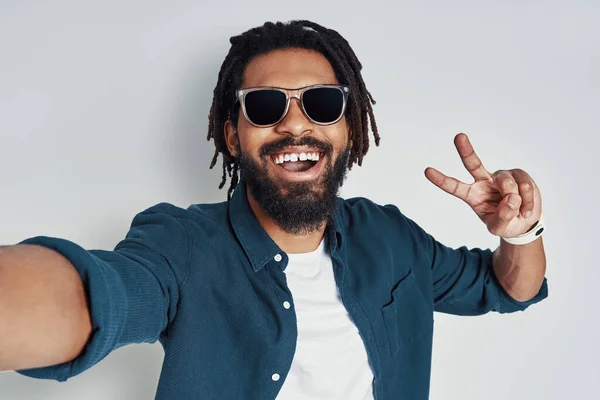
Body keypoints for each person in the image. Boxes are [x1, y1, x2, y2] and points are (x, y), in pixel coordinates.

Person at [0, 20, 548, 400]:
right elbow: (105, 295)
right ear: (232, 136)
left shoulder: (391, 236)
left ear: (348, 126)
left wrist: (521, 235)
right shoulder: (182, 244)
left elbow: (507, 288)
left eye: (321, 102)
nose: (293, 124)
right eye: (265, 106)